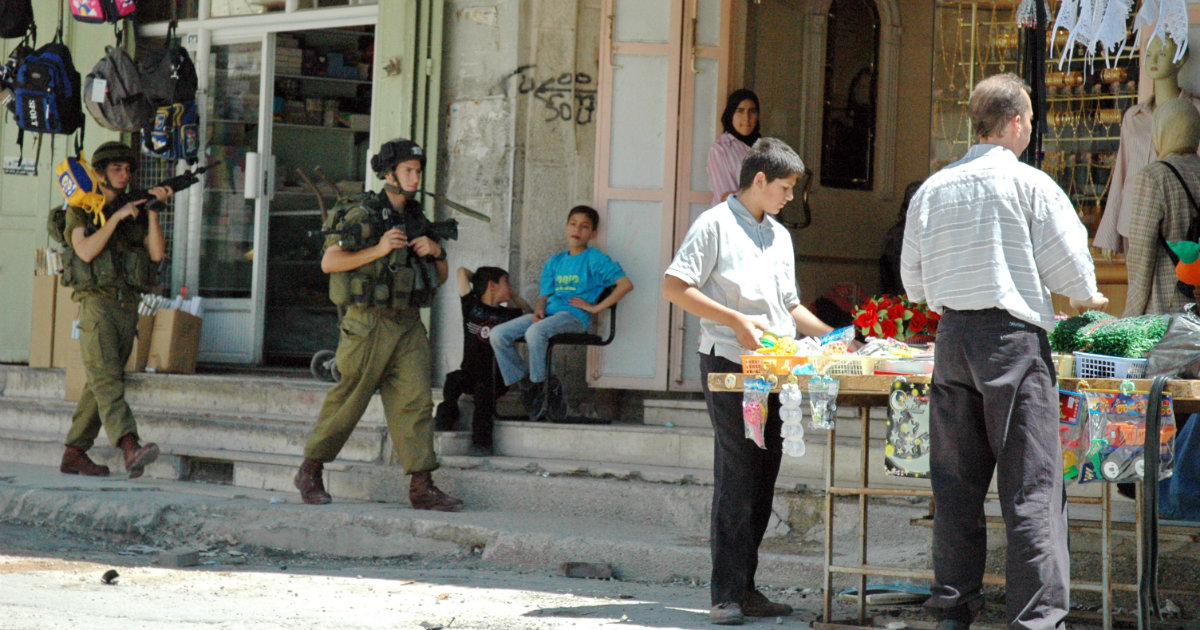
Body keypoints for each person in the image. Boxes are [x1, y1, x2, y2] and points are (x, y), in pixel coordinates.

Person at [901, 74, 1108, 630]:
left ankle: (952, 610)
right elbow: (1074, 274)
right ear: (1015, 121)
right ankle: (1037, 621)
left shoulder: (933, 188)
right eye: (1032, 121)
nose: (1031, 130)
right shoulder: (1031, 185)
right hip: (1012, 344)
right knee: (1031, 489)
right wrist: (1090, 297)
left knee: (955, 488)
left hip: (953, 343)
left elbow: (913, 284)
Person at [664, 137, 833, 626]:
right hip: (730, 366)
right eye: (784, 188)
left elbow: (790, 306)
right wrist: (736, 320)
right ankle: (726, 594)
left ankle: (748, 587)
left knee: (763, 476)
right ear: (758, 181)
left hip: (775, 369)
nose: (789, 197)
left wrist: (840, 338)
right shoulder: (713, 225)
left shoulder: (779, 234)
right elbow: (676, 286)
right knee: (737, 474)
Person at [293, 138, 463, 512]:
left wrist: (435, 252)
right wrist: (380, 249)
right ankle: (310, 471)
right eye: (408, 170)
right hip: (368, 322)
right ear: (388, 174)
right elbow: (330, 262)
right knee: (349, 399)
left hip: (407, 323)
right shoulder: (363, 213)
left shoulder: (416, 216)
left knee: (416, 403)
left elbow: (442, 275)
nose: (416, 177)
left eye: (418, 171)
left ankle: (422, 485)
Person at [59, 141, 171, 479]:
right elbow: (85, 251)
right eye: (116, 169)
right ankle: (129, 446)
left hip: (127, 307)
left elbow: (155, 255)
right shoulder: (79, 210)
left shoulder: (132, 209)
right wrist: (116, 218)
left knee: (101, 381)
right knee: (107, 380)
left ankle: (75, 452)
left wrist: (152, 210)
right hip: (97, 307)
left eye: (128, 169)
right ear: (100, 173)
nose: (124, 175)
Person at [489, 205, 633, 418]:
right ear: (566, 227)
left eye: (585, 227)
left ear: (593, 233)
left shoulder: (594, 257)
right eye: (573, 224)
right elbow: (544, 296)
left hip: (573, 317)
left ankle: (544, 387)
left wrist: (595, 308)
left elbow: (625, 284)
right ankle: (527, 384)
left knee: (535, 333)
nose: (577, 230)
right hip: (548, 315)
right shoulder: (555, 261)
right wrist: (538, 310)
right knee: (497, 334)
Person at [1094, 35, 1200, 253]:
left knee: (1174, 284)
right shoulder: (1133, 117)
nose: (1153, 60)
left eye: (1162, 54)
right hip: (1132, 222)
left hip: (1179, 223)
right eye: (1149, 54)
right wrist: (1108, 234)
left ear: (1180, 59)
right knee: (1137, 285)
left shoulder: (1195, 113)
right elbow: (1121, 175)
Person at [435, 266, 530, 455]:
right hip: (470, 372)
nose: (510, 287)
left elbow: (530, 314)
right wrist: (478, 279)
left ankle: (482, 442)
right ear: (492, 285)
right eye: (506, 282)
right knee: (453, 379)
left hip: (496, 377)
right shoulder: (472, 306)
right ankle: (445, 420)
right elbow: (461, 271)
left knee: (483, 391)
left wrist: (514, 296)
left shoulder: (507, 315)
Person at [1124, 96, 1200, 317]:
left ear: (1161, 131)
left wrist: (1131, 315)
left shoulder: (1154, 177)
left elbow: (1141, 252)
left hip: (1167, 305)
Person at [707, 89, 761, 205]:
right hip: (731, 220)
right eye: (740, 111)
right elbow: (727, 198)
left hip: (765, 220)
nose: (746, 118)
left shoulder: (765, 148)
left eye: (752, 111)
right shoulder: (720, 150)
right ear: (731, 114)